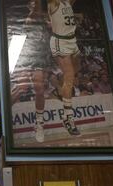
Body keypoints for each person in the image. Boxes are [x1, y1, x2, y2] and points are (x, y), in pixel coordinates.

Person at [11, 0, 52, 142]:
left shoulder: (46, 20)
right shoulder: (30, 18)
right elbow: (38, 9)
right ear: (29, 7)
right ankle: (2, 113)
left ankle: (39, 123)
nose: (35, 5)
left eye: (37, 3)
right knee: (21, 89)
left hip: (41, 57)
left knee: (39, 89)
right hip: (27, 56)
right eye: (33, 3)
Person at [48, 0, 81, 135]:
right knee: (69, 77)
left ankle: (60, 88)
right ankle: (68, 118)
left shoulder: (67, 2)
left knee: (75, 72)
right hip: (60, 41)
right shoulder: (54, 3)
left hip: (72, 40)